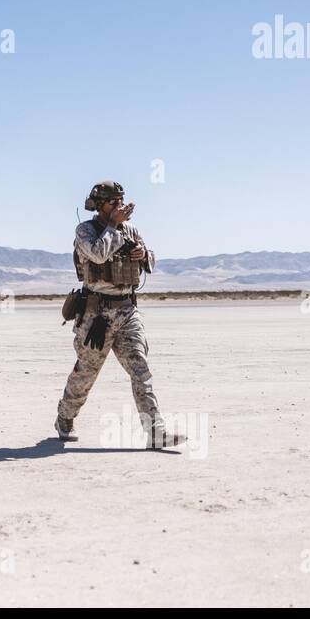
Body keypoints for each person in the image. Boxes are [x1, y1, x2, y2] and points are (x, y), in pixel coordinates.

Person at [54, 180, 186, 449]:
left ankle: (155, 431)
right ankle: (65, 417)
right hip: (96, 315)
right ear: (99, 204)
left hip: (127, 310)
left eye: (120, 201)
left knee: (140, 369)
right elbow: (99, 255)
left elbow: (150, 259)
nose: (118, 206)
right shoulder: (86, 231)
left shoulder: (131, 229)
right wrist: (113, 225)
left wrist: (142, 254)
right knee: (86, 374)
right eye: (112, 202)